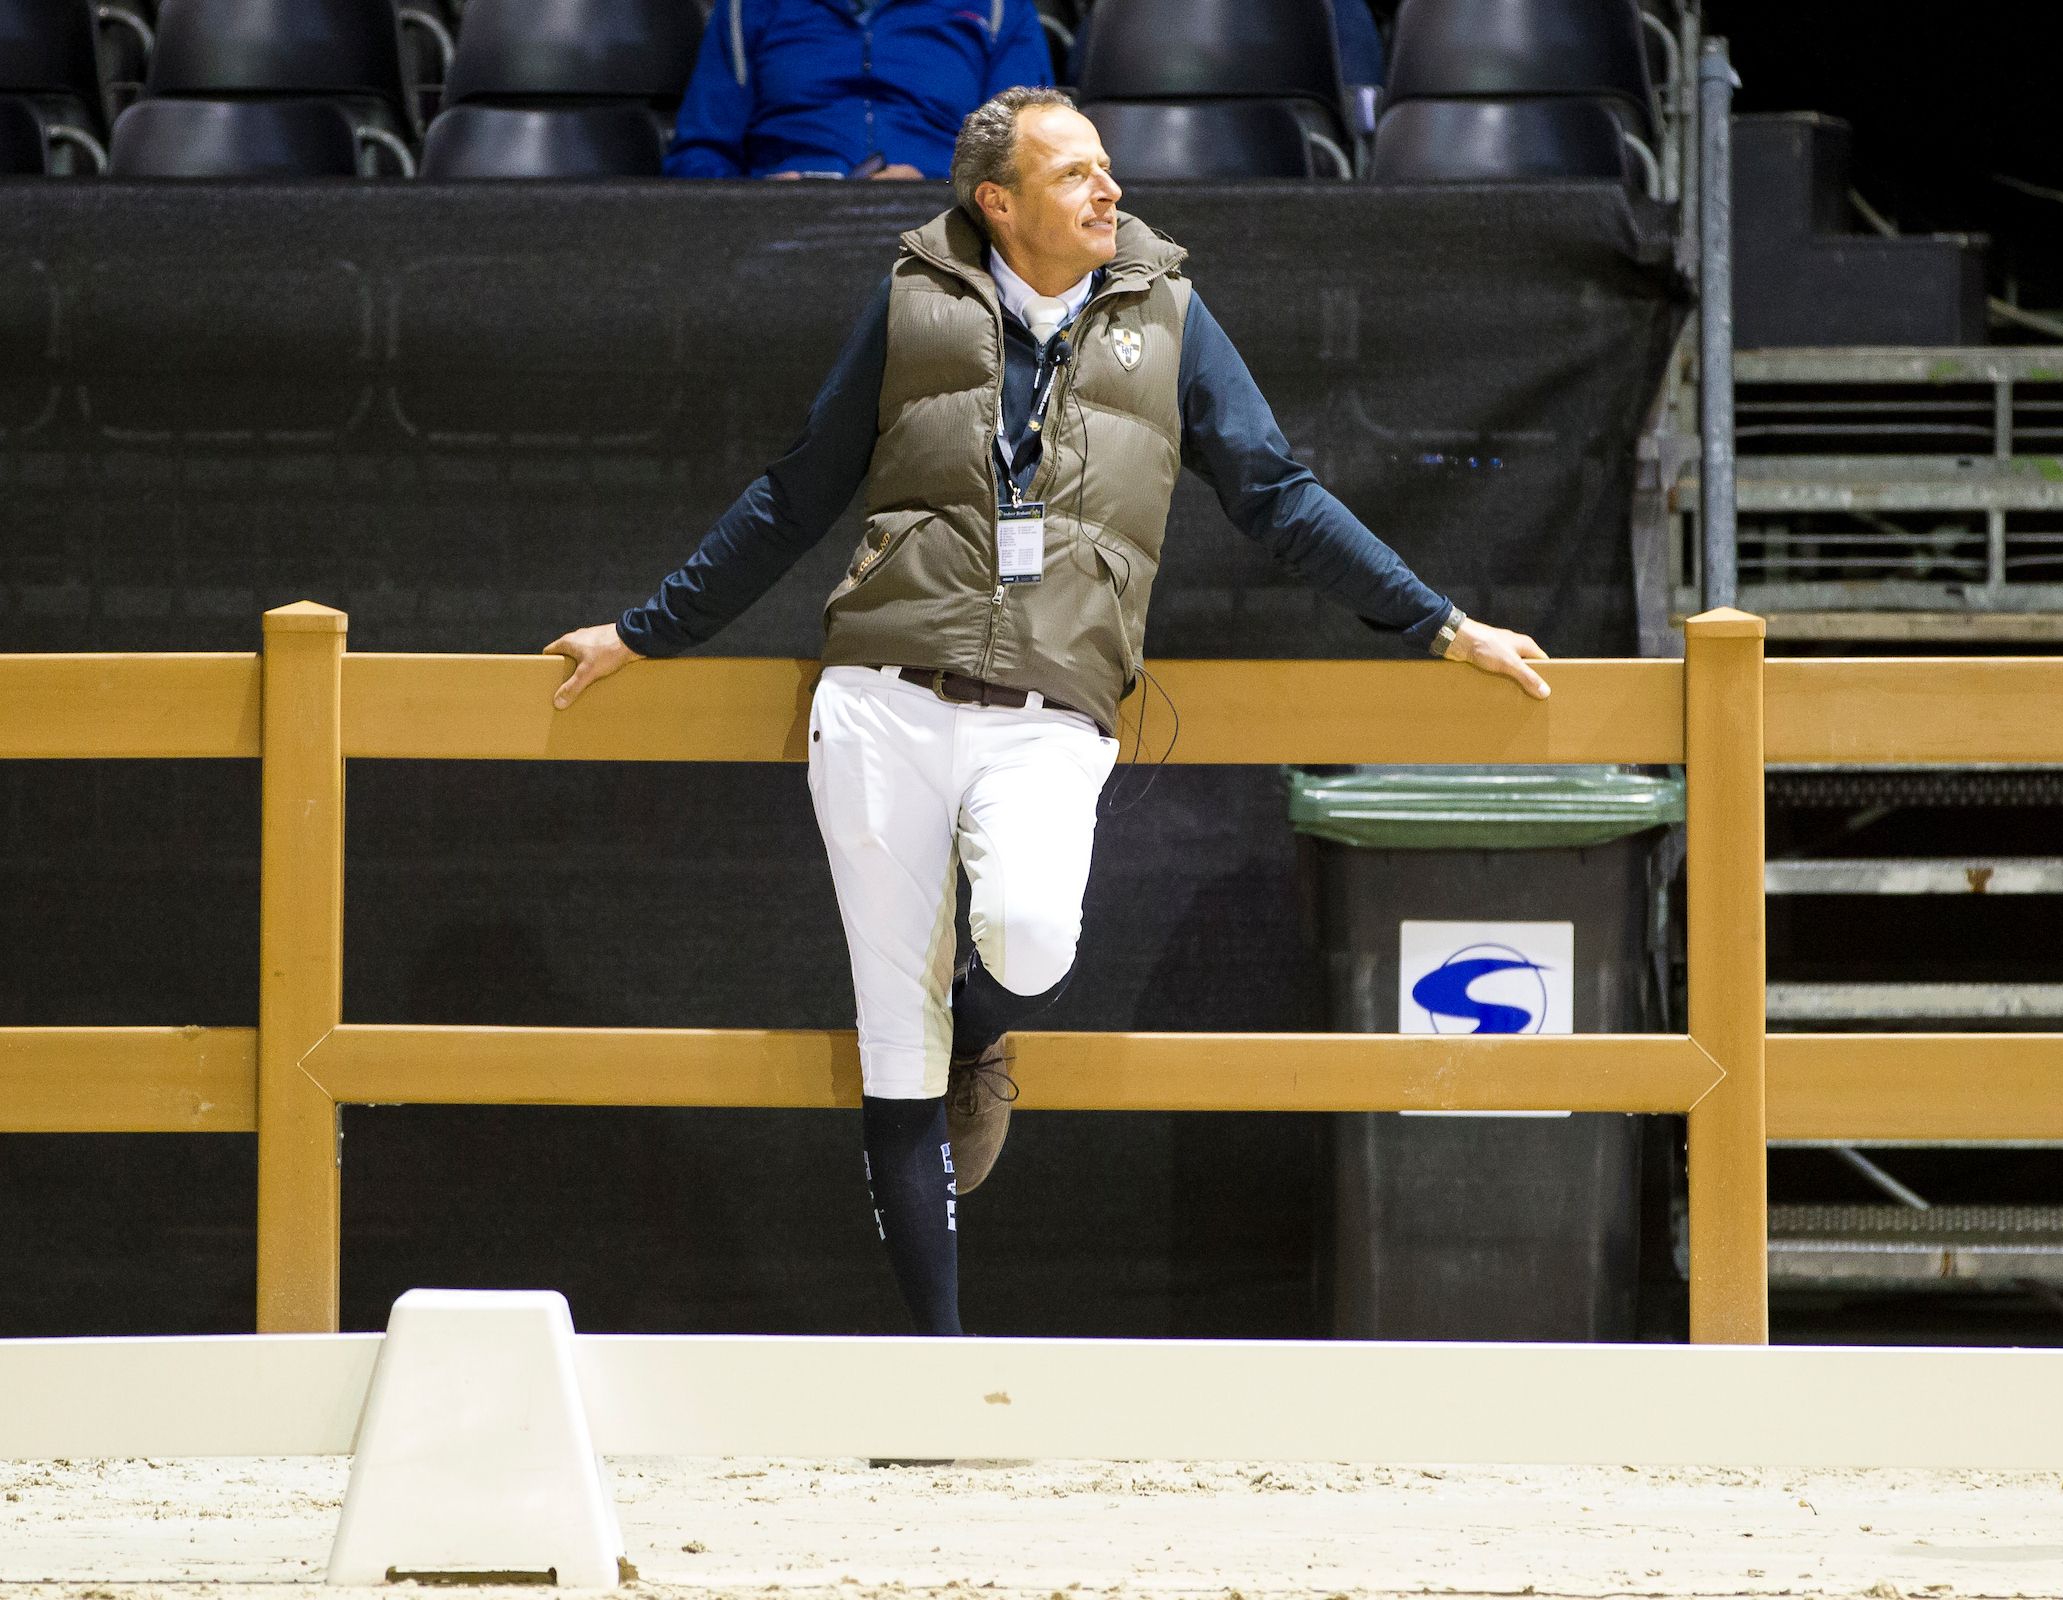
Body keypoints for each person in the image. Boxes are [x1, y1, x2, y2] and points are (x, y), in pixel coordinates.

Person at [551, 85, 1548, 1336]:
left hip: (1050, 704)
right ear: (999, 202)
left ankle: (981, 1031)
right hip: (879, 698)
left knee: (1030, 940)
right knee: (893, 1046)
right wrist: (645, 629)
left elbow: (1278, 493)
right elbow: (797, 491)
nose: (1110, 189)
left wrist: (1440, 623)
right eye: (1075, 174)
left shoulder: (1168, 310)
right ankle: (940, 1366)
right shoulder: (912, 300)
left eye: (1106, 166)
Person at [665, 0, 1051, 180]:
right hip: (780, 234)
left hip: (947, 230)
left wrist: (936, 189)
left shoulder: (1000, 8)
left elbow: (1031, 157)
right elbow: (700, 153)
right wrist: (753, 202)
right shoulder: (746, 8)